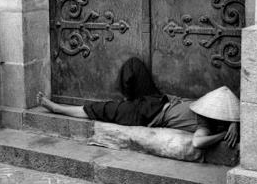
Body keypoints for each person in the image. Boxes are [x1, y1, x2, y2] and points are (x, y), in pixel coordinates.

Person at [36, 57, 239, 150]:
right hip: (159, 99)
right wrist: (233, 122)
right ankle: (129, 99)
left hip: (148, 115)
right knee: (134, 65)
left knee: (102, 110)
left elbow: (198, 143)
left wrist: (222, 134)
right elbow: (236, 111)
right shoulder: (217, 113)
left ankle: (55, 107)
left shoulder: (207, 125)